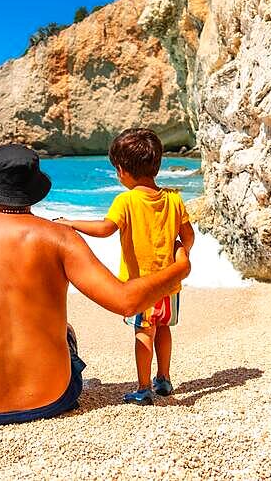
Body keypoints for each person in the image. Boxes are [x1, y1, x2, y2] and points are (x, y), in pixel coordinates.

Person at [0, 143, 190, 426]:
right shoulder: (60, 238)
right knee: (66, 332)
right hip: (53, 399)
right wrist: (179, 268)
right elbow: (125, 302)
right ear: (35, 189)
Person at [55, 128, 195, 405]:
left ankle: (144, 388)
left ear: (122, 170)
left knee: (144, 331)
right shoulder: (173, 198)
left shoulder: (126, 200)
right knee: (164, 328)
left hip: (141, 286)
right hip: (170, 284)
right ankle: (164, 379)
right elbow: (188, 236)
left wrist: (70, 223)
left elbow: (106, 229)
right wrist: (181, 251)